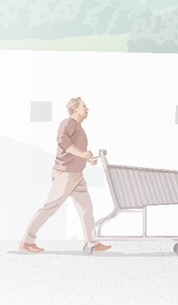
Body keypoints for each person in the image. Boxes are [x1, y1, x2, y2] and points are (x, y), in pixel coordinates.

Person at [20, 97, 111, 254]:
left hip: (76, 175)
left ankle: (91, 242)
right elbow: (63, 142)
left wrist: (88, 159)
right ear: (74, 108)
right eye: (84, 106)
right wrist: (83, 154)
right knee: (50, 207)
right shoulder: (68, 123)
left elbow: (74, 151)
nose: (87, 109)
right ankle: (27, 242)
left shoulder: (79, 127)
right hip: (65, 174)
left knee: (86, 208)